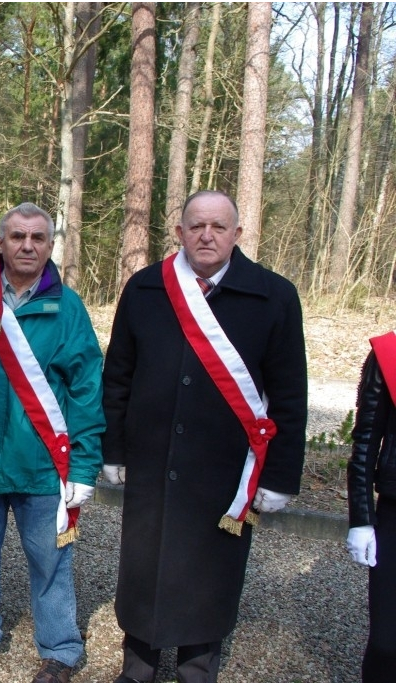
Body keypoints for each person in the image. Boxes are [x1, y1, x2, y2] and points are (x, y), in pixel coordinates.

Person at [102, 190, 307, 682]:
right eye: (196, 226)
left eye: (218, 227)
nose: (206, 235)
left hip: (224, 469)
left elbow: (289, 395)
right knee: (144, 568)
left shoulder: (274, 296)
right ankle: (139, 666)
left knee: (209, 573)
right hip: (152, 463)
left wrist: (279, 477)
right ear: (179, 233)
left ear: (237, 234)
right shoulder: (146, 287)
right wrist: (114, 448)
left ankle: (197, 666)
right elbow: (118, 376)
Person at [0, 202, 105, 683]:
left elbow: (87, 391)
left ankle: (61, 648)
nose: (27, 246)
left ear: (50, 245)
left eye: (38, 238)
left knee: (50, 561)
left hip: (40, 467)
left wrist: (85, 469)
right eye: (17, 237)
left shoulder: (67, 309)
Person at [347, 332, 396, 681]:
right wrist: (362, 519)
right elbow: (365, 440)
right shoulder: (389, 356)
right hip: (395, 512)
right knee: (386, 644)